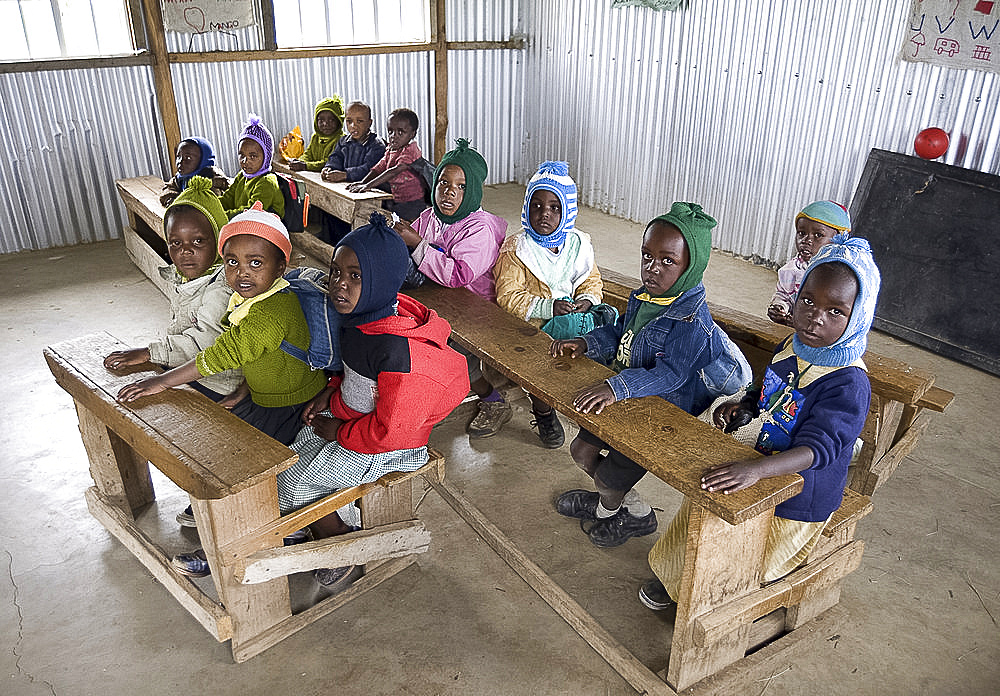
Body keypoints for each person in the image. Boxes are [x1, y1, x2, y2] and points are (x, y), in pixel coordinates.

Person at [639, 235, 880, 611]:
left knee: (751, 555)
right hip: (757, 460)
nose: (816, 316)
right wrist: (745, 405)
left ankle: (713, 605)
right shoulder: (792, 346)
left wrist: (757, 470)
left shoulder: (848, 381)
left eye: (836, 311)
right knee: (704, 500)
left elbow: (819, 449)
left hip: (800, 494)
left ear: (859, 316)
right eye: (809, 301)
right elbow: (765, 390)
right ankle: (676, 580)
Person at [117, 202, 328, 557]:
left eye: (256, 263)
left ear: (282, 266)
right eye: (232, 262)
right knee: (221, 446)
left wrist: (163, 381)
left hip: (290, 405)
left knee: (239, 468)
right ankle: (236, 520)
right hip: (266, 395)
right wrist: (244, 391)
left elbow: (220, 355)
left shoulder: (268, 311)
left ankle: (250, 539)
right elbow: (262, 356)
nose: (242, 272)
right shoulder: (254, 298)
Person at [277, 211, 469, 586]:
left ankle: (337, 543)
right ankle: (323, 520)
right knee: (292, 449)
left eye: (355, 276)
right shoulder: (362, 317)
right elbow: (354, 375)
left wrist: (337, 433)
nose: (339, 286)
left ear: (380, 281)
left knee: (292, 481)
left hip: (388, 446)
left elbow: (391, 432)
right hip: (355, 421)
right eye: (335, 272)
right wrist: (330, 391)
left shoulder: (395, 350)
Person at [549, 202, 739, 548]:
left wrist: (616, 386)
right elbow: (622, 332)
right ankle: (633, 509)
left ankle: (610, 509)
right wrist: (587, 343)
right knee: (581, 451)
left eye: (668, 261)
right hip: (623, 401)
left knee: (609, 476)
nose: (652, 269)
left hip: (656, 415)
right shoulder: (645, 297)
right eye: (647, 256)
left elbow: (670, 375)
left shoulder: (692, 321)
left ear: (690, 266)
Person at [391, 138, 508, 439]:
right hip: (439, 296)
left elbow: (459, 274)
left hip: (474, 307)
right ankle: (428, 396)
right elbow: (413, 243)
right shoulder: (431, 216)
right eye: (443, 182)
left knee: (456, 359)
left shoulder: (478, 229)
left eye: (460, 187)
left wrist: (416, 244)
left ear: (474, 192)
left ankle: (494, 400)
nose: (449, 192)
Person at [494, 160, 606, 448]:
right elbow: (508, 296)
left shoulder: (577, 244)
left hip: (570, 321)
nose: (545, 214)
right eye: (537, 205)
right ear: (526, 206)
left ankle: (583, 408)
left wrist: (585, 299)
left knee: (596, 349)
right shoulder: (517, 249)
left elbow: (591, 281)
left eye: (555, 208)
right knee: (542, 370)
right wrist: (548, 307)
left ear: (567, 211)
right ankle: (543, 411)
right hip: (532, 329)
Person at [106, 175, 243, 403]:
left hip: (217, 383)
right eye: (176, 243)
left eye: (198, 241)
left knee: (145, 403)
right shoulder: (188, 277)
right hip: (192, 369)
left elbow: (203, 345)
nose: (185, 251)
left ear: (219, 240)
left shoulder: (221, 289)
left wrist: (149, 352)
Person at [768, 200, 850, 326]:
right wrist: (780, 308)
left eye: (818, 235)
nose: (806, 240)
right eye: (801, 233)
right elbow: (784, 296)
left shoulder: (844, 277)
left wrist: (803, 322)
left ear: (838, 241)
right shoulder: (791, 269)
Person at [319, 101, 387, 244]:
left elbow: (369, 169)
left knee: (357, 224)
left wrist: (345, 175)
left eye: (359, 121)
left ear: (370, 123)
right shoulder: (344, 141)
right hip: (345, 190)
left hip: (366, 193)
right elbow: (336, 157)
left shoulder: (376, 145)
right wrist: (329, 167)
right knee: (333, 212)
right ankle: (334, 243)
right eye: (349, 121)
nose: (353, 126)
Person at [347, 108, 426, 221]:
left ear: (412, 134)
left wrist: (368, 186)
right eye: (390, 131)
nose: (394, 135)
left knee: (402, 226)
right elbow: (378, 168)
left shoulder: (411, 150)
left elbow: (394, 171)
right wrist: (362, 182)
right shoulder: (391, 149)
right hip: (396, 198)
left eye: (400, 132)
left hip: (412, 202)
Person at [220, 113, 284, 220]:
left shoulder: (266, 182)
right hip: (247, 223)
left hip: (266, 229)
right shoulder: (242, 176)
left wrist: (221, 216)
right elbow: (228, 199)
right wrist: (212, 207)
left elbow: (251, 212)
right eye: (242, 155)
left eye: (253, 156)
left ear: (266, 157)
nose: (245, 161)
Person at [159, 137, 228, 206]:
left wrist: (183, 202)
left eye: (188, 158)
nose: (180, 161)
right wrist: (171, 199)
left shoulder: (213, 180)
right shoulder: (180, 178)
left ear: (204, 160)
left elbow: (212, 204)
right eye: (178, 156)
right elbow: (168, 189)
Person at [285, 96, 345, 172]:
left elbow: (330, 162)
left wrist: (305, 166)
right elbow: (308, 154)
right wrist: (299, 161)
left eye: (332, 120)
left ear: (339, 121)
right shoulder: (316, 137)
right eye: (321, 120)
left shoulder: (341, 140)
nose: (325, 124)